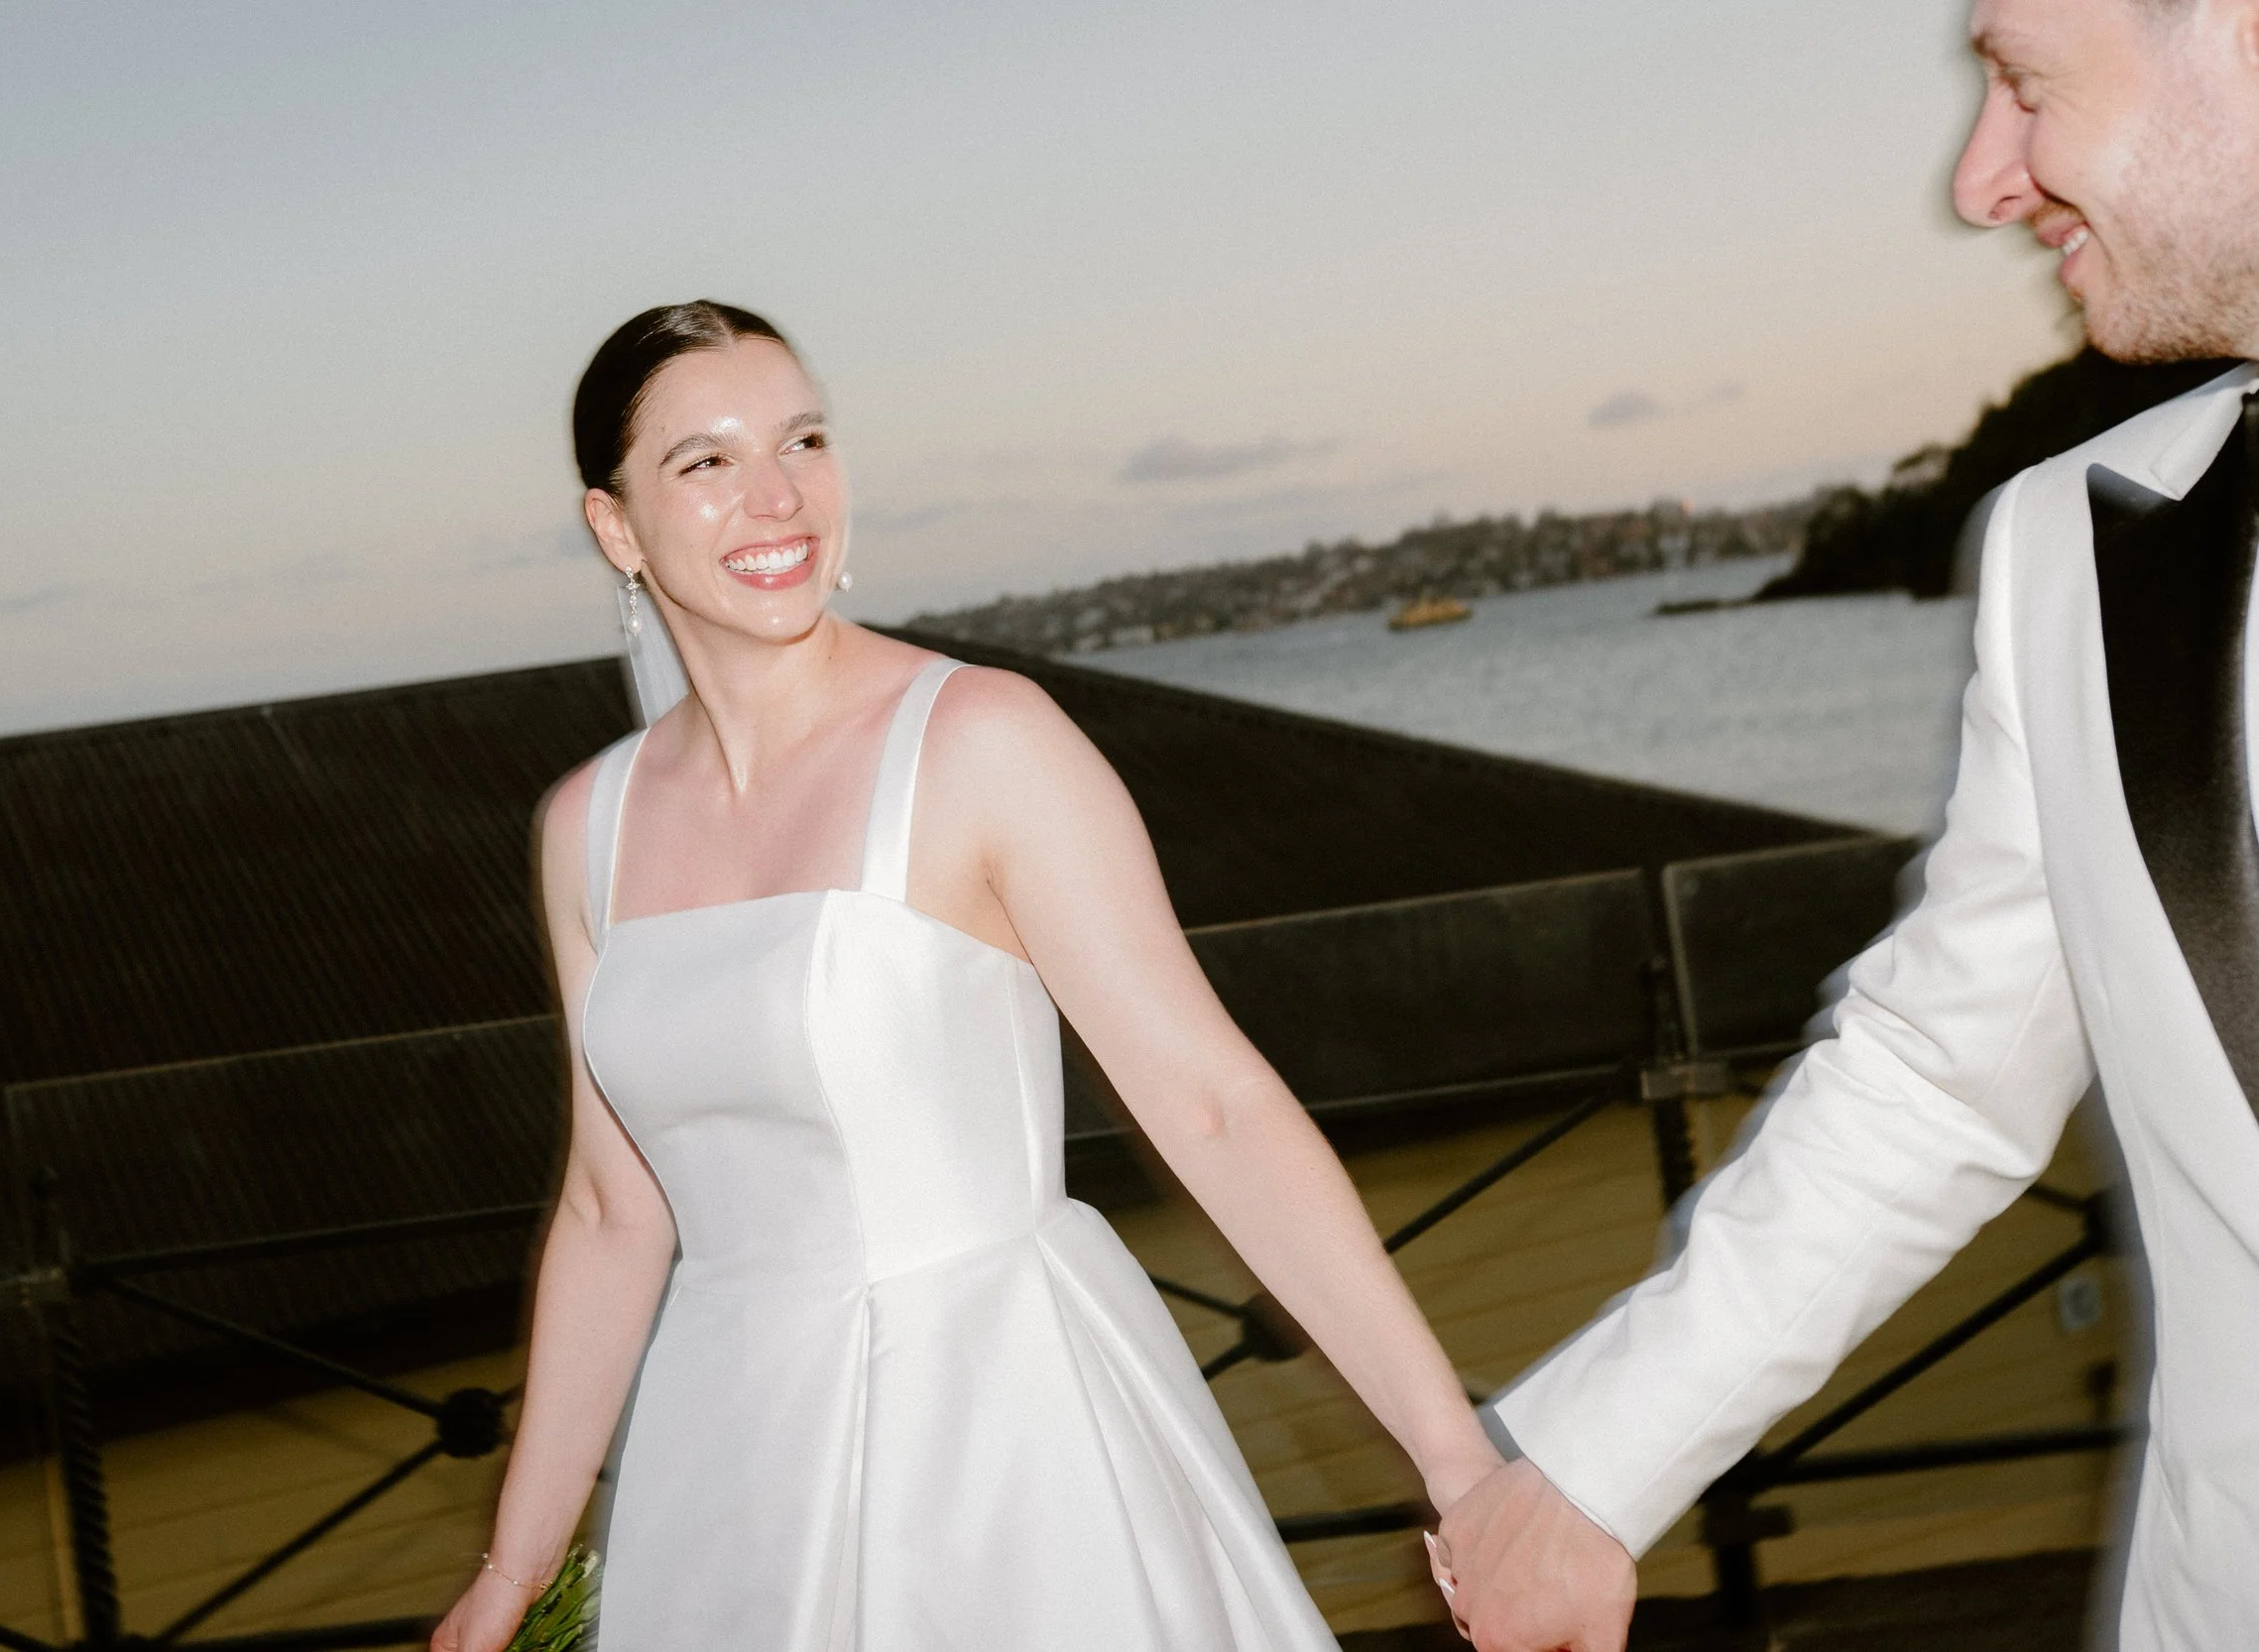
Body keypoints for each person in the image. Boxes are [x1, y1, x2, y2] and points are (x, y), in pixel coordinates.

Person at [430, 300, 1506, 1651]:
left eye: (803, 438)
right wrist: (514, 1569)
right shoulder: (585, 826)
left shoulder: (985, 740)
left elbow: (1213, 1101)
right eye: (705, 462)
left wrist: (1464, 1470)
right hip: (728, 1458)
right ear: (617, 527)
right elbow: (608, 1208)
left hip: (998, 1443)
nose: (777, 494)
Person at [1433, 2, 2259, 1648]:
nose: (1977, 180)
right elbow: (1939, 1067)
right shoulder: (2072, 557)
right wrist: (1598, 1456)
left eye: (2022, 81)